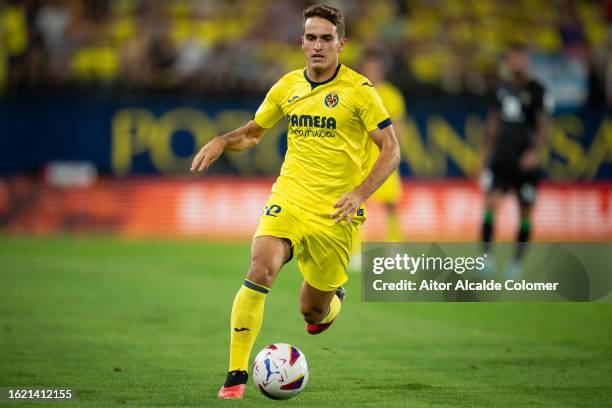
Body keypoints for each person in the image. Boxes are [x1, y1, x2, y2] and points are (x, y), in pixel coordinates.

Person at [190, 4, 400, 400]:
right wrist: (222, 140)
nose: (317, 45)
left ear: (341, 43)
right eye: (311, 37)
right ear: (301, 41)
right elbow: (253, 133)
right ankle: (235, 376)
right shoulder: (287, 86)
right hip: (289, 197)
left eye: (326, 38)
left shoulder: (360, 92)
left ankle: (332, 301)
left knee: (312, 312)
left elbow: (391, 149)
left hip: (335, 213)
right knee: (260, 266)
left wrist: (359, 194)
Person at [480, 44, 552, 276]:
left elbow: (543, 125)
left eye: (519, 58)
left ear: (527, 60)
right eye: (512, 59)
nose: (515, 63)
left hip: (525, 162)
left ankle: (517, 262)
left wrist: (534, 152)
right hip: (502, 158)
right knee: (490, 205)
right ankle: (487, 258)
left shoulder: (538, 90)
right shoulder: (501, 89)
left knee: (525, 211)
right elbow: (492, 123)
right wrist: (483, 154)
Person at [360, 48, 407, 242]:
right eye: (368, 67)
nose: (372, 71)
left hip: (383, 154)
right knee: (356, 201)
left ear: (382, 70)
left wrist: (397, 149)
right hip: (361, 156)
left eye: (375, 67)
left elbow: (399, 124)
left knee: (390, 203)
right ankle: (354, 248)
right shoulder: (357, 90)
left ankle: (394, 244)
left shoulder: (391, 94)